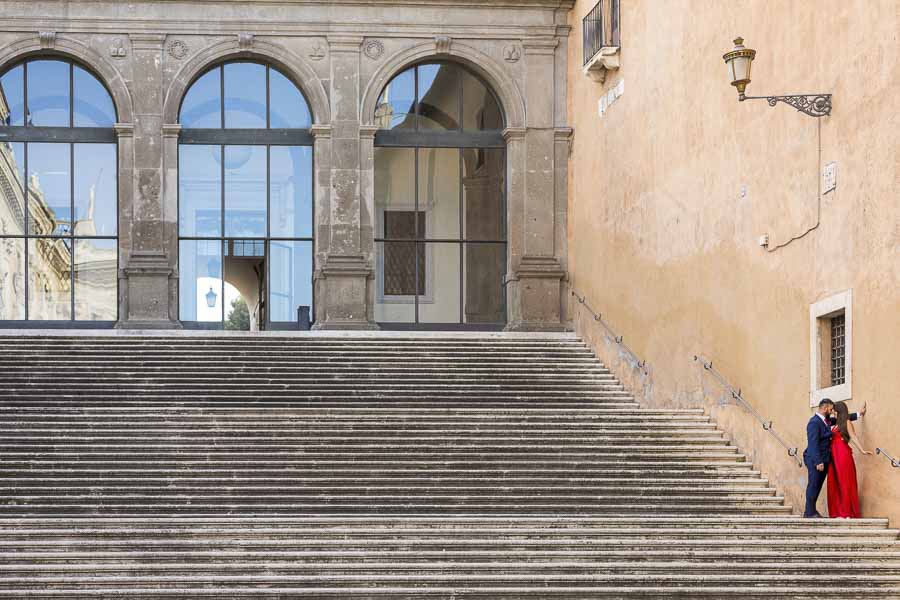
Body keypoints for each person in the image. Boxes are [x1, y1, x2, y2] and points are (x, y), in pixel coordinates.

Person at [802, 398, 865, 518]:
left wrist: (859, 414)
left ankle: (811, 511)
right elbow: (813, 444)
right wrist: (818, 461)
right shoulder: (814, 423)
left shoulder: (828, 421)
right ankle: (809, 512)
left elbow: (844, 417)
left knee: (818, 485)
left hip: (827, 459)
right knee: (813, 484)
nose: (832, 411)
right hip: (816, 459)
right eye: (831, 409)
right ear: (825, 408)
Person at [826, 401, 873, 518]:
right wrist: (859, 413)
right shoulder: (834, 422)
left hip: (842, 454)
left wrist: (862, 450)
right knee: (834, 482)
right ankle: (837, 511)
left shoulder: (846, 422)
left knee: (845, 481)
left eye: (834, 410)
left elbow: (853, 437)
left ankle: (848, 511)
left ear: (838, 411)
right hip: (833, 456)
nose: (832, 412)